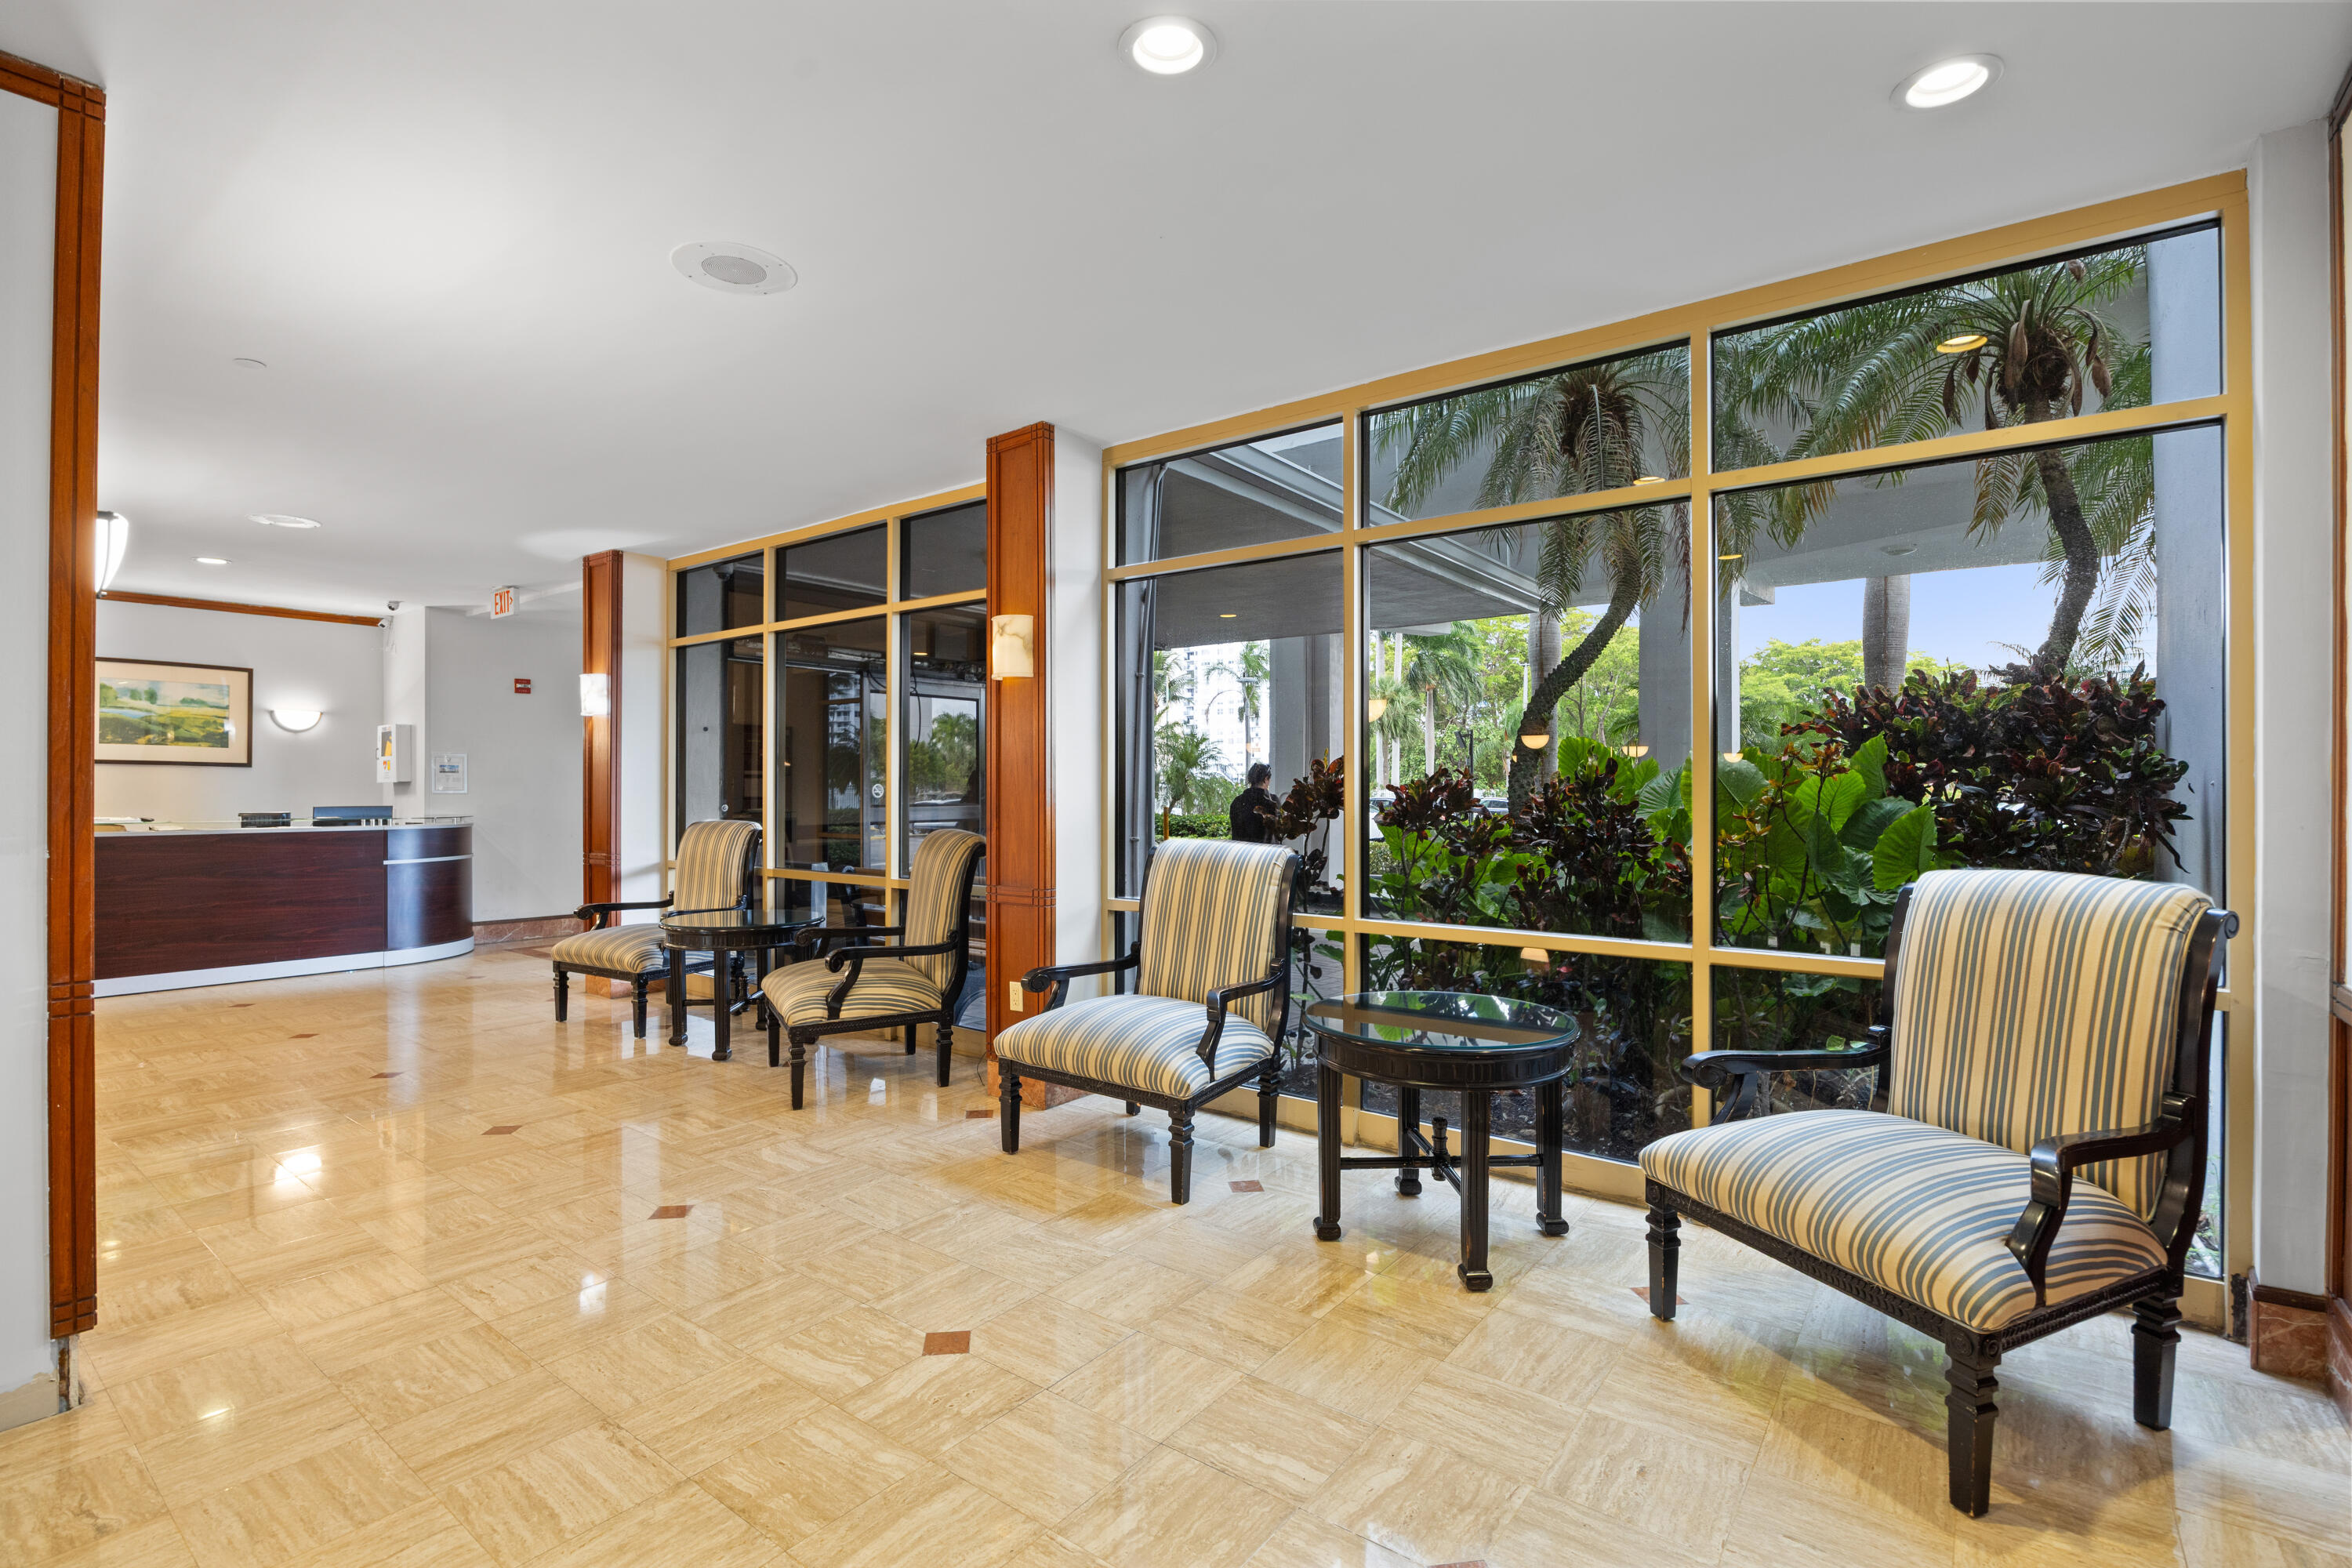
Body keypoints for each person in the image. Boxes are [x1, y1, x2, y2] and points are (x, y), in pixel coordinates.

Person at [1229, 763, 1278, 843]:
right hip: (1268, 853)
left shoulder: (1237, 801)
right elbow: (1279, 832)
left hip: (1241, 851)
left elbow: (1236, 832)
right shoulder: (1272, 801)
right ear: (1266, 779)